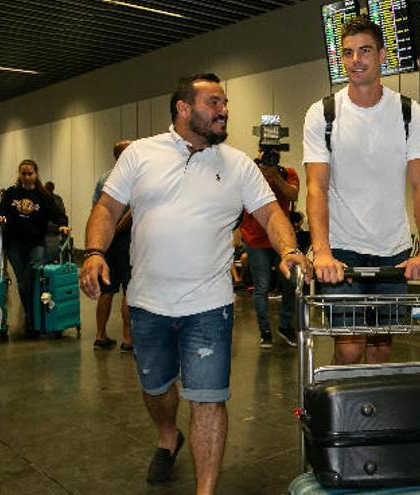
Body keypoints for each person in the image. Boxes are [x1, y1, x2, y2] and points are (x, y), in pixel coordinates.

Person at [78, 73, 311, 493]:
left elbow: (272, 214)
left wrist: (290, 251)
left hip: (209, 303)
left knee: (208, 399)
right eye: (214, 103)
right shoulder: (140, 155)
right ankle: (168, 435)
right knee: (157, 389)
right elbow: (107, 209)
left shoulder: (239, 164)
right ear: (184, 109)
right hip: (148, 302)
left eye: (225, 104)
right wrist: (94, 252)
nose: (224, 111)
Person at [303, 16, 420, 365]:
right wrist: (321, 251)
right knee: (349, 347)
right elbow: (316, 189)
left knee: (381, 346)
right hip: (342, 250)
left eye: (364, 51)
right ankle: (341, 419)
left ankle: (373, 420)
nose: (355, 60)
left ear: (381, 55)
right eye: (347, 53)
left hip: (393, 250)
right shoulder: (323, 114)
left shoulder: (410, 112)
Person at [0, 160, 71, 337]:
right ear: (19, 174)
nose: (27, 177)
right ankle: (31, 320)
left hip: (35, 242)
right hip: (14, 243)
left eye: (30, 173)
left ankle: (33, 318)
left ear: (36, 174)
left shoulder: (43, 195)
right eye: (23, 173)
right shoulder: (11, 193)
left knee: (30, 276)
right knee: (23, 282)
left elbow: (59, 215)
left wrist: (62, 225)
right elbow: (1, 210)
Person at [239, 149, 300, 349]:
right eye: (266, 152)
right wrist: (261, 172)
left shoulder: (287, 173)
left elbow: (292, 194)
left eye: (274, 152)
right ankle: (265, 331)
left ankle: (285, 326)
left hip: (281, 241)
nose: (270, 157)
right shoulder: (251, 171)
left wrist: (275, 175)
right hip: (256, 240)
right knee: (261, 287)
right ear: (259, 152)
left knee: (291, 282)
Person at [91, 140, 134, 352]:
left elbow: (98, 210)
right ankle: (128, 338)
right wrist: (116, 230)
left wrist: (100, 242)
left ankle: (101, 335)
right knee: (129, 288)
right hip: (127, 240)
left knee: (107, 288)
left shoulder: (104, 178)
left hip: (108, 242)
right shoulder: (135, 176)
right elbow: (133, 211)